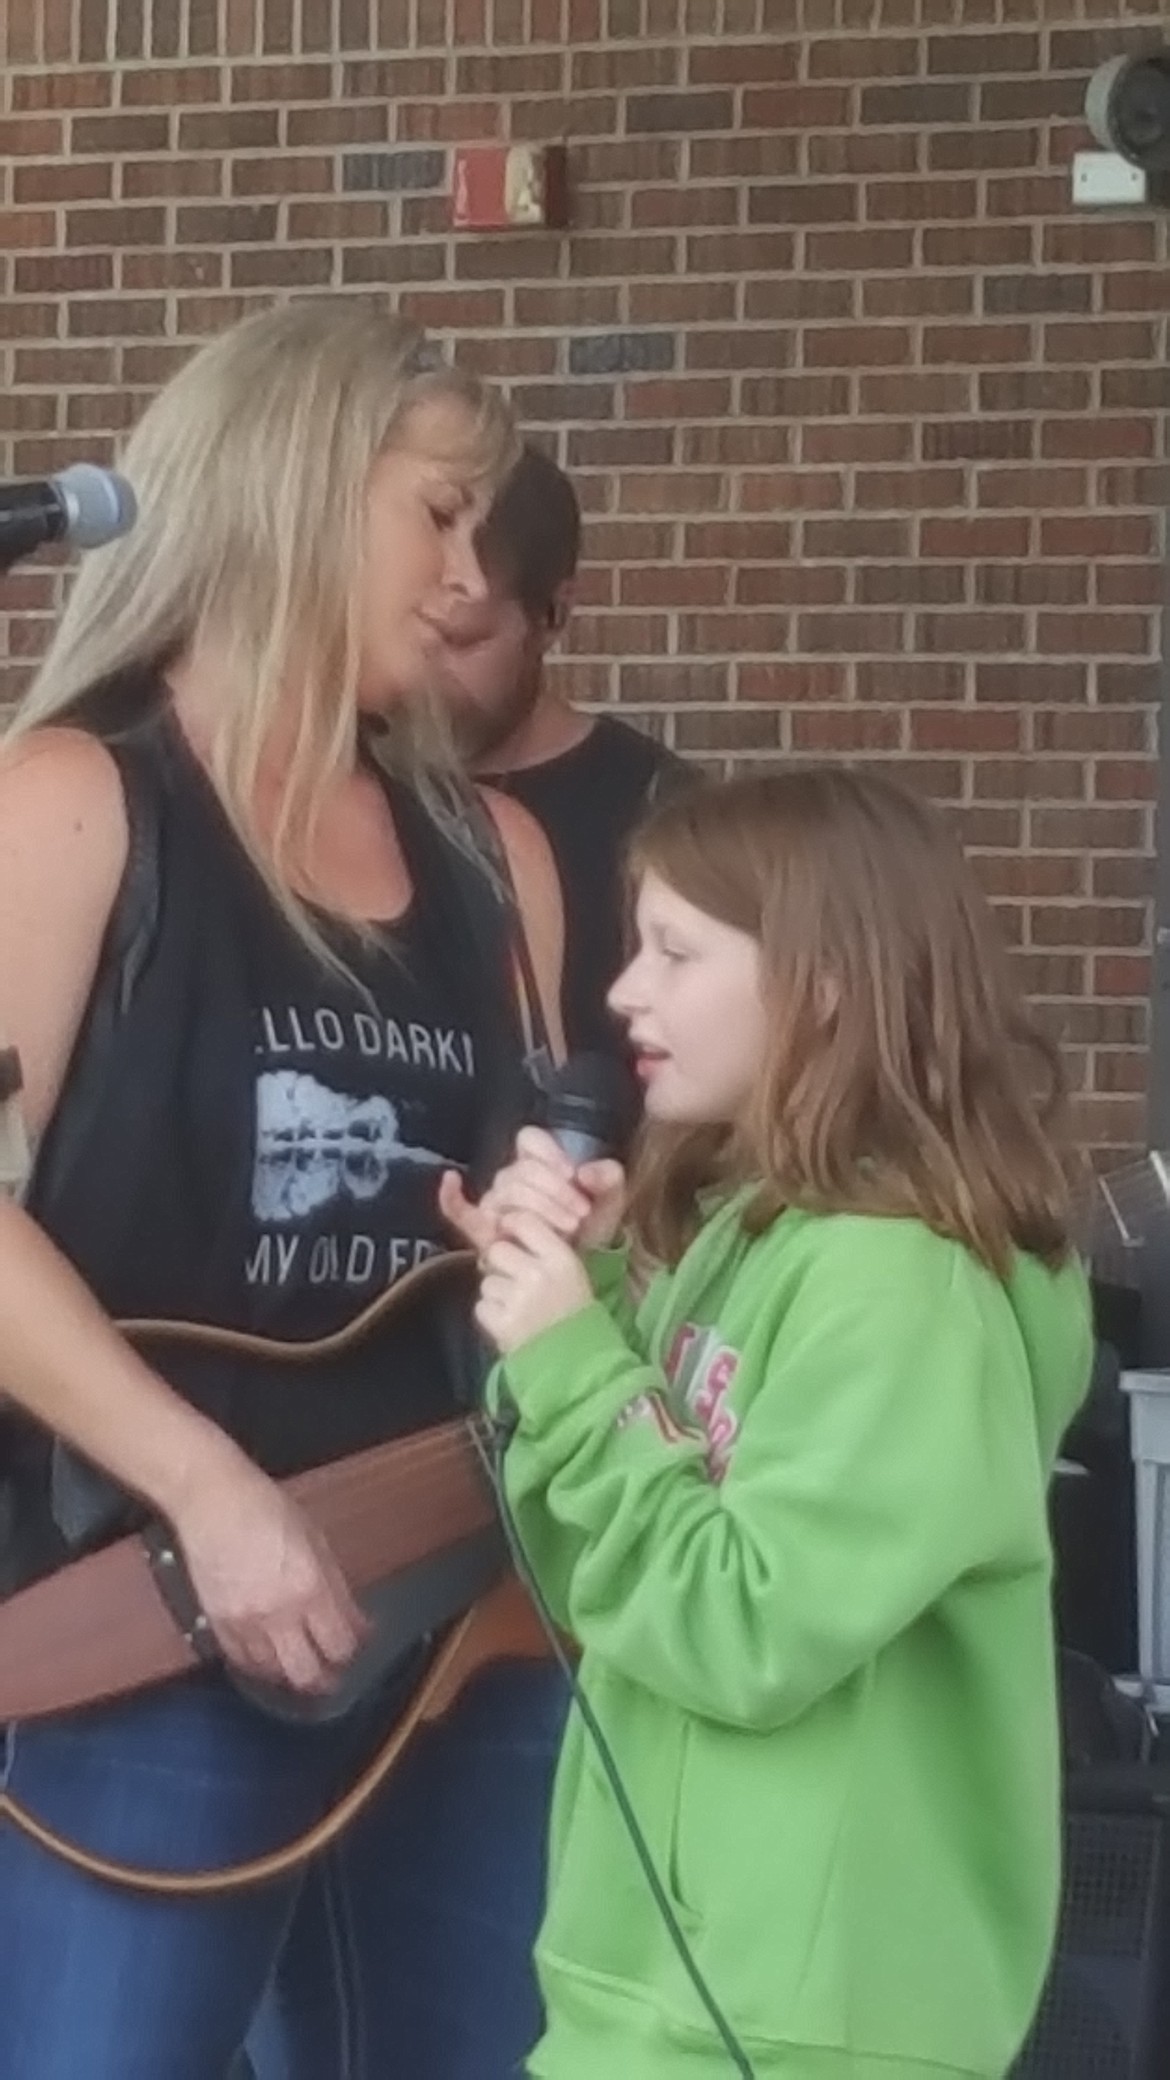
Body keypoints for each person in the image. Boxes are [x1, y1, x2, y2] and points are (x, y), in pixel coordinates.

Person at [0, 300, 569, 2080]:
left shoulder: (499, 850)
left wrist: (569, 1220)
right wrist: (211, 1491)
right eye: (437, 514)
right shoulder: (77, 803)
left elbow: (532, 1178)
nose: (471, 574)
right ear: (299, 490)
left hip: (468, 1617)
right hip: (155, 1612)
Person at [449, 768, 1094, 2080]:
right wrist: (596, 1309)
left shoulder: (904, 1284)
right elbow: (595, 1582)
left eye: (675, 951)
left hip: (797, 2022)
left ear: (826, 981)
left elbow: (748, 1628)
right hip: (652, 1985)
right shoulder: (740, 1236)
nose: (625, 992)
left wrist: (580, 1370)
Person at [435, 443, 689, 1057]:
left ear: (553, 614)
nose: (422, 674)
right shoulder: (352, 796)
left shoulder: (662, 812)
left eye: (459, 640)